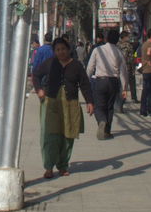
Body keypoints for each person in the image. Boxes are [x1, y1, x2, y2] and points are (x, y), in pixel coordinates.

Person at [32, 37, 93, 179]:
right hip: (51, 103)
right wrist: (39, 90)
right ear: (54, 51)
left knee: (68, 136)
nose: (61, 52)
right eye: (58, 50)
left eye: (63, 49)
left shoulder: (76, 65)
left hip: (70, 104)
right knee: (50, 136)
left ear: (69, 49)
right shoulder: (50, 63)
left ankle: (63, 166)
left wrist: (90, 102)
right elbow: (36, 75)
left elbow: (85, 84)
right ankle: (48, 167)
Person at [86, 28, 127, 140]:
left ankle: (101, 121)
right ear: (117, 40)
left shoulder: (98, 50)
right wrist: (124, 88)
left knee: (99, 106)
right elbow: (123, 71)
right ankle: (107, 131)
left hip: (100, 81)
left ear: (106, 38)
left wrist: (85, 81)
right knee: (109, 107)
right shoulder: (119, 52)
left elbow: (90, 67)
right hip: (114, 82)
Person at [117, 28, 138, 111]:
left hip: (118, 69)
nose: (129, 38)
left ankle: (119, 104)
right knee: (126, 86)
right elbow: (131, 59)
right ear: (125, 37)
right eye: (128, 36)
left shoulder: (116, 45)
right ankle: (132, 98)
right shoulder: (129, 46)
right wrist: (133, 69)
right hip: (127, 68)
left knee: (120, 87)